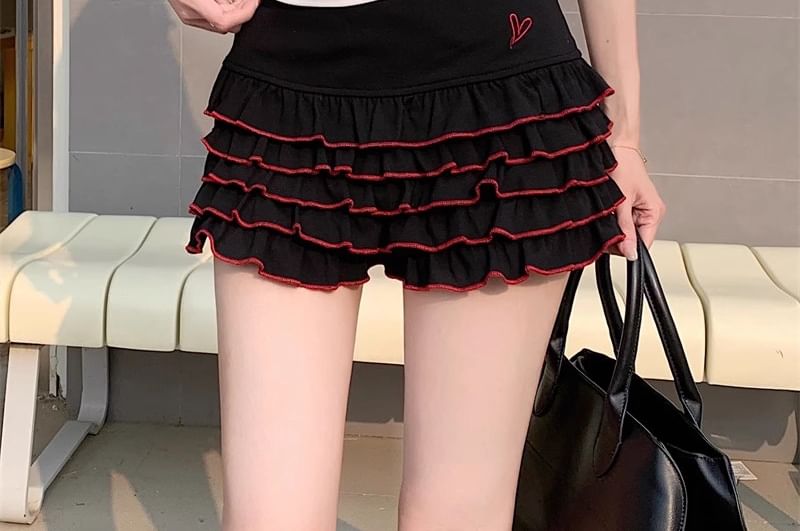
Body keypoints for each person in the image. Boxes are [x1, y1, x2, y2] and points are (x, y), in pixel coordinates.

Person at [169, 0, 665, 529]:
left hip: (497, 102)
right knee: (268, 516)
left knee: (458, 512)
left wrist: (624, 138)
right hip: (286, 95)